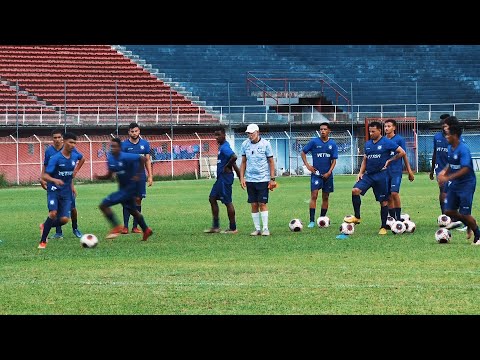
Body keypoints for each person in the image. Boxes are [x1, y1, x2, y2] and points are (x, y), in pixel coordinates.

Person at [344, 121, 406, 235]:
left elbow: (401, 152)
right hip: (369, 175)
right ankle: (357, 217)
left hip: (382, 175)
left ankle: (383, 227)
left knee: (383, 202)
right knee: (355, 190)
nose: (371, 133)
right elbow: (365, 159)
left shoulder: (386, 142)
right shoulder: (368, 144)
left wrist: (390, 160)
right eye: (370, 131)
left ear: (379, 131)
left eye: (373, 131)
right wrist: (360, 172)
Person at [95, 138, 153, 241]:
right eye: (111, 146)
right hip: (123, 188)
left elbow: (142, 159)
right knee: (133, 211)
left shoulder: (126, 156)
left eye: (115, 146)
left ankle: (116, 226)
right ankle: (146, 229)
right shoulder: (111, 159)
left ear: (120, 148)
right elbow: (110, 174)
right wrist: (100, 177)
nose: (113, 148)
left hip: (130, 188)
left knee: (103, 205)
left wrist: (138, 175)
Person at [437, 117, 480, 245]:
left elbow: (466, 168)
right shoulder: (451, 148)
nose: (446, 137)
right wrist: (444, 171)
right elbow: (450, 164)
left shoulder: (463, 149)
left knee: (464, 212)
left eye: (448, 135)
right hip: (455, 184)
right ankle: (468, 222)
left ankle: (478, 234)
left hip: (466, 184)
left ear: (455, 135)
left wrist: (448, 178)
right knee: (448, 211)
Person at [38, 133, 83, 249]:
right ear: (65, 141)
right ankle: (43, 241)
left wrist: (76, 171)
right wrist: (54, 180)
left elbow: (82, 159)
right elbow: (45, 176)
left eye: (74, 143)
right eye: (70, 142)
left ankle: (44, 225)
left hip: (66, 191)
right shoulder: (55, 158)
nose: (72, 145)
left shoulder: (74, 156)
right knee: (53, 213)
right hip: (54, 189)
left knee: (64, 219)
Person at [239, 124, 276, 236]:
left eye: (252, 133)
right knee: (253, 204)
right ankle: (257, 229)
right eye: (248, 133)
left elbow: (271, 162)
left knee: (262, 203)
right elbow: (244, 162)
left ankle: (265, 228)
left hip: (263, 179)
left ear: (257, 132)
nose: (250, 135)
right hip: (250, 179)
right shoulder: (245, 144)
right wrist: (242, 177)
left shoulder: (266, 144)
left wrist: (272, 178)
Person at [429, 114, 464, 230]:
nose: (444, 126)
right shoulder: (437, 137)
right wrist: (432, 169)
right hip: (440, 169)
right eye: (443, 123)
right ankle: (446, 216)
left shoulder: (456, 137)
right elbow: (435, 153)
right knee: (443, 190)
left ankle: (457, 217)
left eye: (446, 124)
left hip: (454, 168)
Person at [300, 122, 338, 228]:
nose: (323, 131)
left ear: (329, 131)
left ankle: (321, 219)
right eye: (321, 129)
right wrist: (308, 166)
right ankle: (311, 221)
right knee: (314, 195)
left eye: (325, 129)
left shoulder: (333, 144)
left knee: (325, 197)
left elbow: (334, 160)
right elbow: (303, 153)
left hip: (328, 174)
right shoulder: (314, 142)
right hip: (316, 174)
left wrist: (329, 172)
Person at [204, 128, 241, 234]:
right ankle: (216, 227)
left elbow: (234, 157)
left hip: (225, 178)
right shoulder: (222, 146)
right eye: (215, 135)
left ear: (224, 135)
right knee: (212, 198)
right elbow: (233, 162)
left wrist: (226, 167)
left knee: (227, 202)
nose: (216, 137)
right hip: (221, 178)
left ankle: (233, 228)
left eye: (218, 135)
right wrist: (240, 177)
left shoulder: (225, 147)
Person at [121, 122, 153, 234]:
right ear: (129, 132)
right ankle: (125, 226)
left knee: (138, 200)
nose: (134, 133)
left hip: (140, 177)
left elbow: (147, 160)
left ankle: (135, 227)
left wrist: (150, 176)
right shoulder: (124, 145)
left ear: (139, 131)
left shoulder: (145, 144)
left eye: (136, 131)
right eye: (132, 131)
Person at [383, 119, 415, 222]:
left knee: (394, 193)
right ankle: (393, 219)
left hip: (396, 171)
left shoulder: (399, 139)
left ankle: (398, 217)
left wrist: (409, 171)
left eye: (389, 126)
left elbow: (404, 154)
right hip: (384, 172)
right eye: (385, 126)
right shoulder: (382, 140)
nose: (386, 128)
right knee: (388, 196)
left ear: (394, 127)